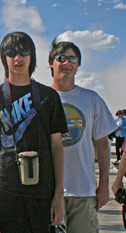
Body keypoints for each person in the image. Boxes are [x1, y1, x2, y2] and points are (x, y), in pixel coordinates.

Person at [0, 32, 68, 233]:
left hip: (42, 191)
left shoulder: (49, 97)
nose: (18, 58)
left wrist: (58, 195)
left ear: (32, 56)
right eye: (11, 53)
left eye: (24, 52)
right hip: (4, 191)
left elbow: (57, 147)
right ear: (4, 58)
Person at [48, 39, 117, 233]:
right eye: (61, 58)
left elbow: (103, 144)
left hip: (83, 190)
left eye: (72, 58)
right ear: (51, 63)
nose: (66, 63)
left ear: (78, 65)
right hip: (48, 192)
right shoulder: (42, 99)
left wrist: (104, 184)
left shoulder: (91, 99)